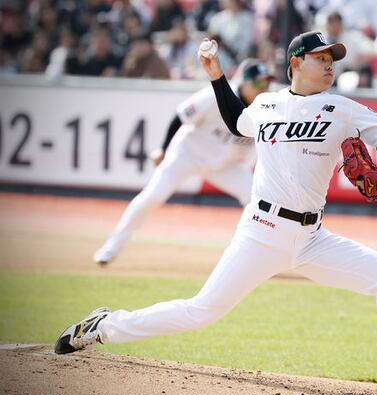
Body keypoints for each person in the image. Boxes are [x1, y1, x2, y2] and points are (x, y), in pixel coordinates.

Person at [57, 31, 377, 395]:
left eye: (332, 59)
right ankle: (103, 326)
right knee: (201, 311)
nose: (330, 64)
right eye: (321, 57)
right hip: (262, 232)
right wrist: (217, 76)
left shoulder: (344, 110)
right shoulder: (266, 105)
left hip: (312, 239)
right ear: (296, 63)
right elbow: (235, 121)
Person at [93, 58, 273, 265]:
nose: (264, 87)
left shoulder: (265, 109)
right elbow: (180, 116)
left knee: (257, 198)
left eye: (267, 82)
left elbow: (259, 148)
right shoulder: (218, 95)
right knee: (154, 195)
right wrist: (163, 149)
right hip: (188, 154)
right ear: (244, 82)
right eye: (259, 82)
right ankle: (111, 247)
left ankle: (251, 255)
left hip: (223, 166)